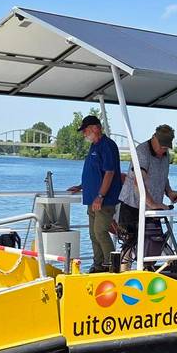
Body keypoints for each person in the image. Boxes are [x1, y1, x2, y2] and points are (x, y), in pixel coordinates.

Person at [67, 115, 121, 272]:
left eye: (85, 130)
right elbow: (94, 172)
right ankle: (98, 265)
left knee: (101, 232)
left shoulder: (107, 145)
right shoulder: (94, 146)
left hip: (104, 200)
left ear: (96, 128)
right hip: (92, 199)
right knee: (93, 234)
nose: (84, 134)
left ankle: (112, 266)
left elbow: (109, 172)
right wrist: (81, 186)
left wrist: (100, 196)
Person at [117, 124, 177, 258]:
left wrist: (169, 192)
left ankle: (149, 268)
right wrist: (153, 204)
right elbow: (138, 182)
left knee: (153, 244)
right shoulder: (142, 151)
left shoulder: (165, 155)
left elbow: (162, 176)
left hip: (152, 209)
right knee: (129, 245)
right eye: (161, 146)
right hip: (132, 205)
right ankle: (124, 270)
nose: (163, 150)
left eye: (166, 147)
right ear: (154, 138)